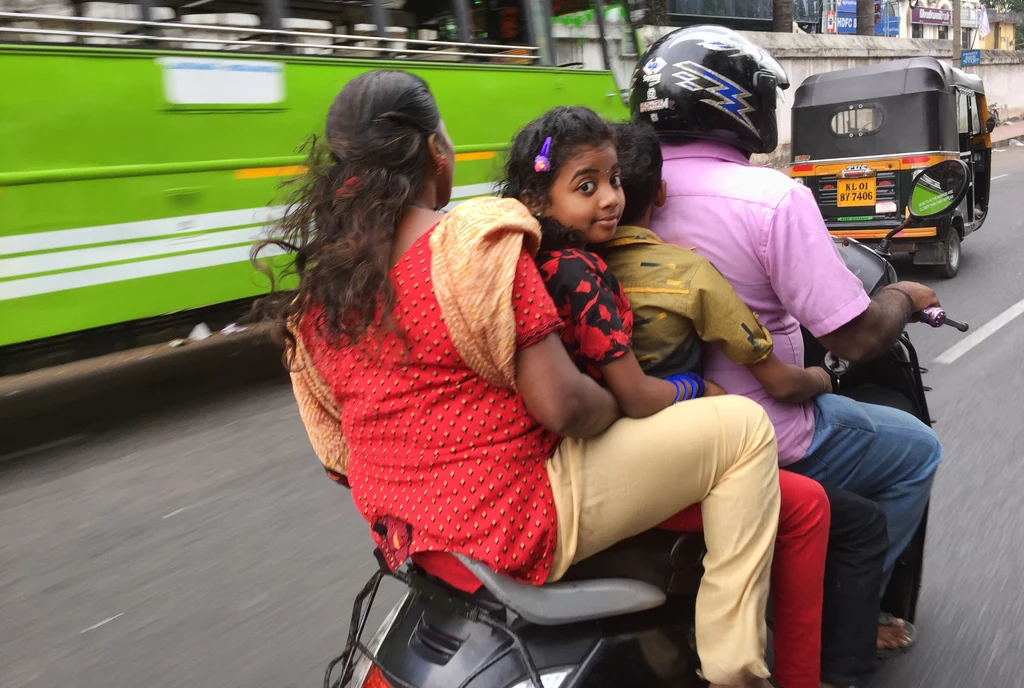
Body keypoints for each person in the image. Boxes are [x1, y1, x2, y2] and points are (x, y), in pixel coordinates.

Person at [255, 69, 781, 688]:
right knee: (744, 428)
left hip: (406, 529)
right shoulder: (473, 243)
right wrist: (623, 401)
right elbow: (565, 407)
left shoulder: (322, 289)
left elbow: (336, 451)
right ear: (435, 152)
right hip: (509, 518)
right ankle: (735, 667)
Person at [632, 25, 943, 658]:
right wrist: (906, 298)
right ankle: (848, 618)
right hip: (764, 431)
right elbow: (854, 337)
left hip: (646, 430)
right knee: (917, 450)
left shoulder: (618, 191)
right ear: (736, 104)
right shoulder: (772, 197)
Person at [499, 105, 832, 688]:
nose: (609, 199)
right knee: (801, 501)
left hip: (548, 457)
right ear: (537, 198)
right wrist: (694, 387)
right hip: (601, 451)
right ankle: (749, 666)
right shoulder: (588, 272)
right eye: (587, 187)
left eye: (613, 182)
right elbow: (637, 396)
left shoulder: (526, 260)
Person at [606, 122, 890, 688]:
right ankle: (819, 670)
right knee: (831, 512)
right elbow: (780, 381)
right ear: (659, 197)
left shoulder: (567, 267)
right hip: (681, 449)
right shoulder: (688, 272)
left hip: (601, 457)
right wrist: (820, 379)